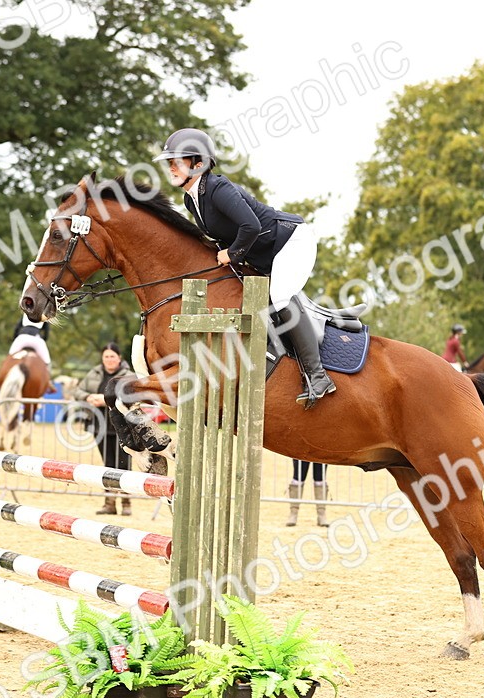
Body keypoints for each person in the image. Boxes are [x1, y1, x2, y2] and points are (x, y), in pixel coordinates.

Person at [154, 127, 335, 409]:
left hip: (290, 242)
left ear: (198, 164)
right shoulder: (191, 199)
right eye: (169, 162)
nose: (171, 167)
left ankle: (318, 375)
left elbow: (250, 226)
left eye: (176, 161)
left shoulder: (217, 189)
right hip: (264, 253)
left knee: (280, 298)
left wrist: (232, 254)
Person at [74, 343, 135, 515]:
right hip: (99, 425)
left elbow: (133, 394)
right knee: (107, 464)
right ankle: (109, 503)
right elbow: (78, 391)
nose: (109, 360)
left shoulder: (128, 375)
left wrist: (106, 399)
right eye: (106, 356)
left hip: (123, 426)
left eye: (112, 356)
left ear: (119, 358)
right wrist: (88, 397)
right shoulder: (94, 373)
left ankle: (126, 502)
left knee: (123, 464)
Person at [287, 460, 329, 527]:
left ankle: (321, 514)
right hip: (302, 451)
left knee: (320, 479)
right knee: (297, 478)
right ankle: (293, 514)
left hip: (320, 451)